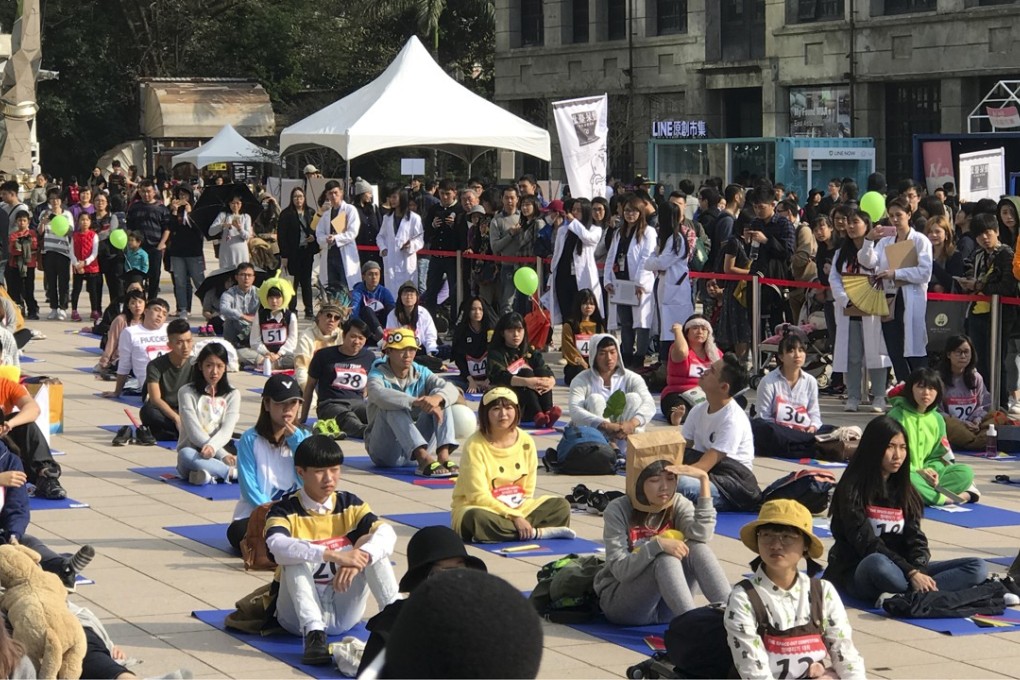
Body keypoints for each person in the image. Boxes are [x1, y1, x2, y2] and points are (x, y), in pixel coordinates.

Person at [264, 435, 399, 666]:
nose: (329, 478)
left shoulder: (350, 503)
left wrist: (360, 557)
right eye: (319, 471)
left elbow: (387, 533)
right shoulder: (284, 510)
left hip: (342, 607)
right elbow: (277, 546)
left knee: (374, 547)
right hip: (297, 617)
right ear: (300, 472)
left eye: (335, 470)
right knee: (295, 556)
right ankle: (314, 635)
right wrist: (334, 555)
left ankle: (397, 620)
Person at [826, 416, 988, 605]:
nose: (898, 455)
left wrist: (919, 570)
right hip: (861, 569)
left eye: (902, 447)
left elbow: (916, 538)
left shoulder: (904, 489)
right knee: (876, 562)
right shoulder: (852, 489)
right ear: (873, 447)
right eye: (890, 447)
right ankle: (919, 594)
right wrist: (911, 573)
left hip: (903, 569)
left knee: (977, 567)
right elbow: (867, 544)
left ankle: (907, 595)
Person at [727, 500, 866, 680]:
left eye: (787, 537)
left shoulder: (823, 591)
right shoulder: (743, 597)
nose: (776, 545)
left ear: (806, 545)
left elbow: (844, 652)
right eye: (767, 535)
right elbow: (754, 671)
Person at [594, 450, 729, 625]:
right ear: (639, 483)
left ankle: (734, 613)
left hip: (669, 607)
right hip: (625, 605)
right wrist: (655, 545)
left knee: (698, 547)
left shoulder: (678, 503)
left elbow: (702, 535)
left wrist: (704, 481)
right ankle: (693, 627)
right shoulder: (618, 509)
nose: (664, 487)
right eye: (655, 480)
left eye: (670, 479)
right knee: (665, 559)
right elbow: (620, 570)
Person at [358, 525, 486, 674]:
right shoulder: (392, 628)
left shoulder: (481, 620)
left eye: (460, 571)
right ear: (420, 580)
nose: (452, 581)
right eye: (440, 574)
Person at [451, 387, 573, 542]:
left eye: (508, 408)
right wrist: (514, 517)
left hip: (518, 507)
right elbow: (478, 496)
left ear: (516, 411)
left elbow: (527, 491)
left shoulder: (526, 441)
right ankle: (536, 533)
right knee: (476, 518)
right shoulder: (474, 445)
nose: (503, 414)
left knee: (561, 506)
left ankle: (508, 532)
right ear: (485, 413)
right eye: (496, 409)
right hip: (483, 507)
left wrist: (518, 513)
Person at [228, 374, 310, 552]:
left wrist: (297, 444)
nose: (287, 409)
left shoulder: (304, 437)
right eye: (280, 403)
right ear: (266, 404)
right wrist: (272, 514)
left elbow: (310, 481)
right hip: (258, 514)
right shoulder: (250, 439)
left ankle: (282, 543)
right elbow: (249, 486)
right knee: (237, 532)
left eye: (293, 403)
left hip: (296, 514)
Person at [365, 328, 459, 476]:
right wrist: (415, 402)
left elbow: (452, 389)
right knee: (392, 404)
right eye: (401, 350)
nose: (408, 355)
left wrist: (437, 399)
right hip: (386, 452)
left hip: (416, 444)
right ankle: (422, 458)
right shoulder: (377, 373)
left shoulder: (421, 371)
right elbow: (378, 394)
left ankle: (443, 456)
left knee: (439, 397)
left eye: (411, 350)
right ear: (388, 351)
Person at [859, 197, 931, 384]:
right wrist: (868, 240)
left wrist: (896, 273)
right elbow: (868, 262)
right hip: (890, 299)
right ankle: (903, 394)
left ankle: (923, 390)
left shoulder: (920, 240)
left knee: (915, 351)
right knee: (895, 350)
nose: (895, 219)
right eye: (891, 216)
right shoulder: (886, 241)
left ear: (909, 214)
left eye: (899, 215)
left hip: (911, 300)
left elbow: (924, 272)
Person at [829, 209, 892, 413]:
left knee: (876, 353)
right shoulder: (841, 252)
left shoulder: (877, 248)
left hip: (871, 307)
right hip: (849, 309)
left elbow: (871, 263)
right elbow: (834, 278)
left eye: (855, 222)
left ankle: (879, 396)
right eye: (848, 222)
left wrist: (869, 242)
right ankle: (854, 395)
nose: (850, 226)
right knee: (852, 354)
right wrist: (845, 299)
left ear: (867, 225)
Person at [888, 368, 978, 506]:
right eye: (921, 387)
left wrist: (932, 471)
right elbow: (888, 456)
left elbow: (940, 455)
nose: (926, 393)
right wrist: (917, 471)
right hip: (903, 472)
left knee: (965, 473)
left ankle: (921, 495)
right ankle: (947, 498)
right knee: (908, 479)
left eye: (932, 388)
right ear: (910, 388)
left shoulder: (937, 419)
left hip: (925, 477)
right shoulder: (896, 416)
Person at [680, 354, 755, 510]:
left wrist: (669, 474)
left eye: (712, 371)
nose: (705, 371)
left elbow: (702, 467)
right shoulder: (698, 409)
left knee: (678, 484)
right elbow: (679, 448)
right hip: (706, 475)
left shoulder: (733, 419)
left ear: (724, 387)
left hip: (729, 486)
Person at [568, 334, 655, 456]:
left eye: (612, 352)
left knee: (634, 398)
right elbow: (574, 410)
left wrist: (632, 423)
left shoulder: (631, 378)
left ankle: (631, 449)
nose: (609, 358)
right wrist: (605, 425)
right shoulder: (581, 380)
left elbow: (649, 403)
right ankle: (610, 445)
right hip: (596, 440)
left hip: (625, 434)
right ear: (594, 356)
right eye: (602, 353)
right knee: (595, 399)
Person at [751, 332, 834, 459]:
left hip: (803, 431)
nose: (797, 355)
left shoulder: (810, 381)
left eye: (801, 350)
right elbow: (763, 417)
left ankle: (804, 443)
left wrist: (812, 427)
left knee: (832, 430)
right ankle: (807, 444)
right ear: (781, 357)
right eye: (791, 351)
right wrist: (787, 429)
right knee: (760, 427)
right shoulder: (768, 382)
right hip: (778, 431)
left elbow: (814, 414)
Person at [175, 343, 241, 486]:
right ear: (200, 366)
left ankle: (207, 475)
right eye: (209, 365)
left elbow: (227, 430)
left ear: (225, 368)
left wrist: (219, 452)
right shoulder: (186, 392)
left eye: (220, 366)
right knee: (185, 454)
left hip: (222, 450)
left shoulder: (233, 394)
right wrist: (220, 454)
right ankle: (231, 474)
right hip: (195, 452)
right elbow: (194, 432)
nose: (214, 372)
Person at [605, 198, 657, 370]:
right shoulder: (619, 232)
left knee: (641, 323)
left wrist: (639, 282)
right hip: (621, 283)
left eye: (634, 211)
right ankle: (626, 354)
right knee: (626, 322)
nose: (630, 214)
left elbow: (646, 258)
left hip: (639, 285)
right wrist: (608, 279)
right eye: (627, 210)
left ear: (641, 213)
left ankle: (640, 357)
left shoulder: (648, 232)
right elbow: (611, 256)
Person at [301, 318, 375, 439]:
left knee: (376, 415)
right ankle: (371, 434)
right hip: (330, 404)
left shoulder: (369, 357)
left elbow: (371, 383)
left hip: (357, 403)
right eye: (353, 336)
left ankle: (384, 432)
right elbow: (309, 386)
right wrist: (303, 417)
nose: (357, 341)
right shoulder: (323, 355)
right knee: (350, 420)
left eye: (361, 338)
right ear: (344, 335)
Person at [487, 311, 559, 426]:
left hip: (534, 396)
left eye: (519, 330)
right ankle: (538, 414)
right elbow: (499, 376)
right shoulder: (496, 353)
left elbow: (543, 365)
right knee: (526, 372)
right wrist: (527, 382)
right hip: (511, 401)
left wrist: (551, 380)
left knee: (542, 372)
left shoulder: (528, 350)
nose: (516, 335)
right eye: (511, 331)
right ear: (502, 333)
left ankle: (548, 412)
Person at [0, 377, 66, 499]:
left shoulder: (6, 385)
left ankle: (46, 476)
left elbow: (33, 409)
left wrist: (10, 424)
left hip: (3, 439)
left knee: (25, 423)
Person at [644, 202, 694, 362]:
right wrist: (654, 260)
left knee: (673, 330)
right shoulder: (666, 237)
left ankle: (669, 363)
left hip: (675, 289)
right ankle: (664, 362)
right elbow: (653, 261)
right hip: (666, 286)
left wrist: (654, 260)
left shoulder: (676, 239)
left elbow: (659, 262)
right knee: (664, 327)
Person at [103, 298, 170, 402]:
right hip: (151, 384)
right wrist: (117, 391)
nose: (160, 315)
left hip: (175, 378)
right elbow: (124, 364)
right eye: (157, 310)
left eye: (164, 313)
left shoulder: (169, 329)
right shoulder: (130, 332)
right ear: (146, 311)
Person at [137, 319, 194, 443]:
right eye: (179, 342)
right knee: (148, 412)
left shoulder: (197, 364)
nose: (185, 347)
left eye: (189, 341)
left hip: (188, 411)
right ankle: (183, 432)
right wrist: (176, 418)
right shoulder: (155, 365)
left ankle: (177, 432)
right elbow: (155, 399)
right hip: (165, 410)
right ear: (169, 345)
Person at [659, 315, 722, 426]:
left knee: (738, 400)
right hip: (679, 393)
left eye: (704, 329)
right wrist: (678, 331)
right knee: (678, 405)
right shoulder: (677, 348)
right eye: (694, 328)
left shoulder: (715, 354)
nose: (699, 331)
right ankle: (676, 416)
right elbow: (682, 352)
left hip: (705, 394)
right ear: (686, 332)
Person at [549, 197, 603, 326]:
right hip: (563, 276)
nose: (575, 213)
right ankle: (567, 341)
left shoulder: (594, 230)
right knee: (565, 314)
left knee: (580, 312)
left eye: (579, 210)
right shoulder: (563, 230)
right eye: (573, 210)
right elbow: (557, 254)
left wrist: (574, 223)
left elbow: (587, 238)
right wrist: (551, 276)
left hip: (580, 278)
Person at [938, 334, 997, 451]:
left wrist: (977, 420)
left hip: (973, 425)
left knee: (998, 417)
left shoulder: (976, 377)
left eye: (966, 352)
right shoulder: (938, 378)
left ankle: (972, 441)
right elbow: (936, 411)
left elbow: (983, 405)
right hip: (952, 425)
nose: (963, 356)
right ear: (949, 354)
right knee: (947, 424)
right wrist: (961, 423)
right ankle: (973, 442)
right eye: (958, 352)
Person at [422, 179, 463, 315]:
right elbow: (426, 234)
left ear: (454, 193)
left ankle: (454, 322)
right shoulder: (434, 209)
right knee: (431, 289)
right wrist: (433, 226)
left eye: (448, 194)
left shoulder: (460, 210)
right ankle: (430, 319)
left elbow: (464, 236)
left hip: (453, 258)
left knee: (454, 290)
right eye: (441, 194)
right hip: (436, 256)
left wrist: (454, 225)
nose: (445, 197)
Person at [277, 187, 318, 319]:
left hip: (306, 252)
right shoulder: (286, 214)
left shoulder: (311, 212)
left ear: (304, 198)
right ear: (291, 198)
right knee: (292, 283)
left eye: (300, 196)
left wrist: (313, 237)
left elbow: (317, 230)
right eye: (295, 197)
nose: (298, 199)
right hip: (292, 253)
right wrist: (284, 255)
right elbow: (281, 236)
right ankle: (292, 309)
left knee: (306, 282)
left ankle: (309, 309)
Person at [316, 180, 361, 295]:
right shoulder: (326, 214)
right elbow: (319, 234)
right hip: (330, 255)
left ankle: (347, 312)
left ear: (341, 192)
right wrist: (326, 239)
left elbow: (353, 232)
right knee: (332, 288)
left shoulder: (350, 210)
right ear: (327, 195)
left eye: (336, 192)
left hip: (345, 255)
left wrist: (336, 238)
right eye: (330, 193)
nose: (333, 196)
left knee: (345, 288)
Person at [124, 180, 170, 295]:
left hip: (155, 247)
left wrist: (162, 244)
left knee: (154, 276)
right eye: (143, 192)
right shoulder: (134, 207)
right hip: (137, 248)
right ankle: (139, 300)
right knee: (137, 276)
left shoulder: (161, 208)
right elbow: (129, 226)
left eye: (149, 191)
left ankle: (152, 301)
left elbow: (167, 228)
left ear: (154, 192)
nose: (146, 194)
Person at [166, 185, 203, 320]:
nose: (182, 198)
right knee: (180, 281)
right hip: (177, 251)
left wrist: (190, 214)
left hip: (194, 251)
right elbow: (170, 228)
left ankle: (207, 306)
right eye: (180, 195)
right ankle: (183, 308)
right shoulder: (173, 210)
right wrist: (174, 212)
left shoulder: (196, 209)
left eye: (185, 195)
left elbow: (199, 230)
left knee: (199, 281)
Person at [489, 186, 529, 313]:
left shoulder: (525, 217)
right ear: (502, 199)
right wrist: (510, 234)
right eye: (506, 198)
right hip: (508, 266)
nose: (509, 201)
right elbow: (495, 247)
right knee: (507, 303)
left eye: (512, 198)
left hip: (526, 266)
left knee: (526, 303)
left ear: (518, 199)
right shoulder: (497, 220)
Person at [377, 188, 423, 292]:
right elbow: (380, 236)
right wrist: (383, 248)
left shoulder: (414, 218)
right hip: (390, 261)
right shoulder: (387, 218)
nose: (392, 200)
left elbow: (420, 239)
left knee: (407, 292)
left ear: (402, 198)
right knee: (391, 293)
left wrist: (410, 245)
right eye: (390, 197)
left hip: (406, 261)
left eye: (394, 197)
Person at [385, 282, 440, 369]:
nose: (408, 297)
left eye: (412, 294)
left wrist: (430, 353)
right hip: (400, 349)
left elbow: (430, 335)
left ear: (417, 297)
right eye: (405, 294)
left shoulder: (423, 313)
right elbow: (390, 335)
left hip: (420, 348)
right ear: (400, 297)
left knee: (445, 351)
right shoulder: (393, 314)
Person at [244, 282, 298, 370]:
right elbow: (254, 340)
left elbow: (292, 340)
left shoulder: (290, 316)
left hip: (283, 355)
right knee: (241, 353)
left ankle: (272, 365)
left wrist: (279, 354)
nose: (274, 301)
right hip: (263, 354)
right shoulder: (260, 314)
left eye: (277, 297)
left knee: (298, 358)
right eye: (271, 297)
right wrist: (267, 353)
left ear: (284, 298)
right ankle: (264, 362)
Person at [95, 288, 146, 379]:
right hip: (122, 357)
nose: (137, 306)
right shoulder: (121, 320)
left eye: (140, 302)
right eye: (133, 303)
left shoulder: (148, 320)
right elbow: (112, 342)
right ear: (128, 305)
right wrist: (104, 361)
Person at [38, 188, 72, 320]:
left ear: (61, 200)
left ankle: (63, 308)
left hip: (63, 252)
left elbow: (70, 232)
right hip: (48, 251)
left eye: (57, 199)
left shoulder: (67, 214)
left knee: (63, 282)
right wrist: (43, 222)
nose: (55, 201)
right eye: (52, 198)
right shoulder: (44, 213)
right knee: (50, 282)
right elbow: (40, 232)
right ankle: (53, 307)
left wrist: (58, 221)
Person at [451, 296, 496, 394]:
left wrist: (489, 379)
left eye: (480, 309)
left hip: (490, 379)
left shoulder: (491, 330)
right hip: (468, 378)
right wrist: (471, 381)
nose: (477, 312)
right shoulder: (462, 331)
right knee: (448, 385)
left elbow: (496, 356)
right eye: (473, 309)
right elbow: (459, 359)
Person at [294, 302, 343, 390]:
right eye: (328, 315)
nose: (332, 320)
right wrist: (308, 392)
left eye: (336, 318)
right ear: (319, 316)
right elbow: (301, 368)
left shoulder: (342, 336)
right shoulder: (306, 336)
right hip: (312, 381)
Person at [561, 288, 605, 385]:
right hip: (577, 365)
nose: (588, 306)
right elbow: (568, 348)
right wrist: (582, 362)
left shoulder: (599, 326)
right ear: (578, 305)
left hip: (595, 363)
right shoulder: (569, 325)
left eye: (591, 304)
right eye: (585, 303)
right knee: (580, 373)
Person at [350, 261, 395, 346]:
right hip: (367, 327)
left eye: (376, 274)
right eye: (370, 274)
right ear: (364, 276)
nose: (374, 277)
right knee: (367, 310)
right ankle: (381, 336)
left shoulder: (384, 291)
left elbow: (393, 310)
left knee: (391, 307)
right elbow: (354, 311)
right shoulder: (358, 291)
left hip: (383, 324)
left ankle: (391, 335)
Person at [220, 263, 260, 352]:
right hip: (236, 327)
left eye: (249, 275)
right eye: (243, 275)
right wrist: (243, 316)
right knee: (228, 321)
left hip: (254, 328)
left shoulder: (260, 293)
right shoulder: (229, 293)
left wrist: (255, 318)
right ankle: (230, 349)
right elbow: (224, 308)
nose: (246, 278)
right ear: (236, 277)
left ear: (253, 278)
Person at [70, 212, 102, 323]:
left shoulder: (94, 235)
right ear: (78, 222)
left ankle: (94, 311)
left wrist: (85, 262)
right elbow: (71, 252)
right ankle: (74, 310)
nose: (84, 222)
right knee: (76, 289)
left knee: (93, 290)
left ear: (90, 222)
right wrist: (77, 264)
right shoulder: (75, 236)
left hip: (91, 267)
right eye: (82, 220)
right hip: (78, 266)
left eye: (87, 220)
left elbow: (94, 253)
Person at [7, 210, 39, 321]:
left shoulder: (32, 233)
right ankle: (20, 310)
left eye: (24, 220)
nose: (22, 223)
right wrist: (24, 245)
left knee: (29, 289)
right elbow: (13, 250)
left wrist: (22, 245)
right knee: (17, 290)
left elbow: (34, 246)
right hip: (15, 266)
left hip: (29, 266)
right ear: (16, 222)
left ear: (28, 221)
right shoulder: (13, 235)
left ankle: (32, 310)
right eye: (20, 220)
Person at [208, 195, 252, 270]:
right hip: (226, 251)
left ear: (241, 204)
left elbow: (247, 236)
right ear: (229, 204)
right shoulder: (223, 215)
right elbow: (211, 232)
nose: (235, 206)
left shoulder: (246, 217)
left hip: (241, 252)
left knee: (241, 272)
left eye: (238, 203)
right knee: (226, 274)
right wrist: (222, 225)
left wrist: (240, 228)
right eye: (233, 203)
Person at [926, 214, 964, 293]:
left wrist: (932, 264)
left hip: (948, 302)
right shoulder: (922, 255)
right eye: (930, 232)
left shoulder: (955, 256)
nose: (933, 235)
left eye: (937, 232)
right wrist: (933, 287)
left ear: (946, 234)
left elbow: (954, 283)